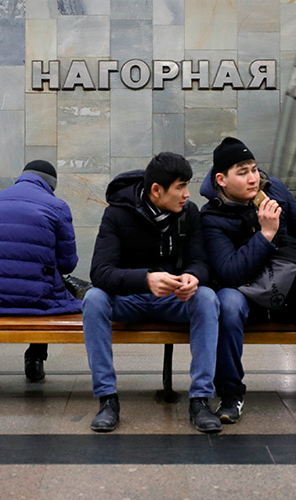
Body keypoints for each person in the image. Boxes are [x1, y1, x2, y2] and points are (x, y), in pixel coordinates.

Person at [199, 137, 296, 424]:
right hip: (243, 290)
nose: (253, 178)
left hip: (289, 284)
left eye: (254, 169)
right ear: (221, 179)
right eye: (242, 172)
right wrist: (266, 235)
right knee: (226, 306)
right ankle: (231, 393)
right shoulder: (211, 217)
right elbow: (229, 272)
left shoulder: (275, 191)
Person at [82, 152, 222, 433]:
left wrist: (192, 278)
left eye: (187, 185)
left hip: (174, 300)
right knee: (93, 299)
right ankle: (107, 399)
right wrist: (145, 280)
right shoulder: (117, 213)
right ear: (156, 190)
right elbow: (99, 272)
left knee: (207, 298)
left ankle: (201, 400)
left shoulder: (189, 213)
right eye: (180, 187)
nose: (187, 194)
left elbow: (201, 261)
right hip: (129, 300)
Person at [0, 160, 86, 383]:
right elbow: (68, 263)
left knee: (40, 280)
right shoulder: (56, 206)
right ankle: (35, 356)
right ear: (51, 185)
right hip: (37, 298)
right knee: (48, 284)